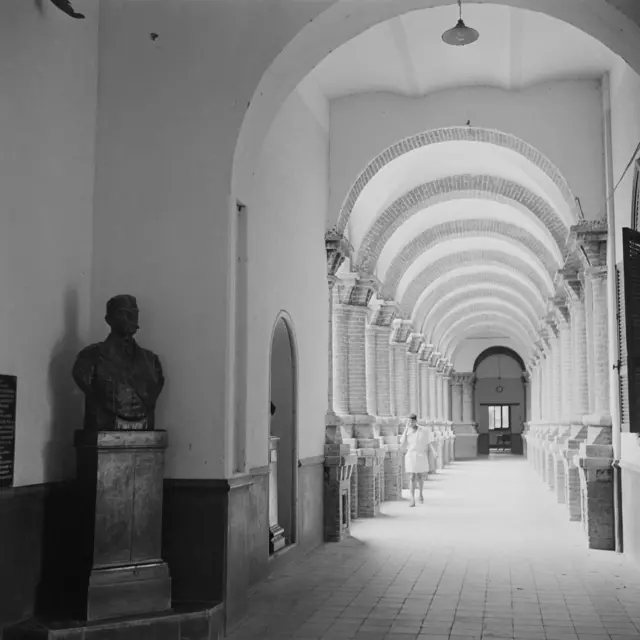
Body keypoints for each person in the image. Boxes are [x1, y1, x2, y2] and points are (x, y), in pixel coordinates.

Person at [72, 295, 165, 431]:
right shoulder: (90, 357)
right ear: (109, 320)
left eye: (134, 313)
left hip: (144, 432)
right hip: (103, 430)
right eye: (125, 313)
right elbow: (86, 382)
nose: (132, 319)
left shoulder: (152, 361)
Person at [400, 413, 438, 507]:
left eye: (412, 421)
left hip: (421, 455)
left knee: (420, 476)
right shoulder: (407, 431)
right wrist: (405, 429)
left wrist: (434, 452)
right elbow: (402, 443)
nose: (410, 423)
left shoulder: (424, 430)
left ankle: (420, 493)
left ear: (416, 421)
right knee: (412, 477)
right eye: (408, 421)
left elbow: (429, 443)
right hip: (410, 455)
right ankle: (412, 498)